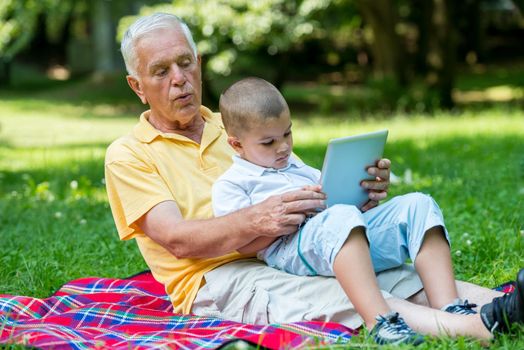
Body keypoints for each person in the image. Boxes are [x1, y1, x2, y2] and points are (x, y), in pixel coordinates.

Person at [104, 11, 523, 346]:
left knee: (401, 276)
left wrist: (358, 194)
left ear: (199, 64)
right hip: (220, 278)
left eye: (185, 63)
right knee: (355, 293)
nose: (179, 78)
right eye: (161, 71)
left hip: (295, 244)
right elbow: (176, 240)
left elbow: (302, 191)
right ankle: (483, 329)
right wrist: (259, 219)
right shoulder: (129, 154)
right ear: (136, 86)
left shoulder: (240, 127)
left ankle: (508, 306)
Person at [211, 76, 476, 343]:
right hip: (289, 251)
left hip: (341, 238)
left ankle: (450, 306)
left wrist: (360, 194)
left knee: (418, 204)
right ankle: (381, 322)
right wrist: (289, 219)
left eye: (287, 133)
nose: (283, 147)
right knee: (341, 217)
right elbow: (243, 247)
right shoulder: (232, 184)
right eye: (268, 142)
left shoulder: (299, 168)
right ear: (236, 144)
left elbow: (338, 208)